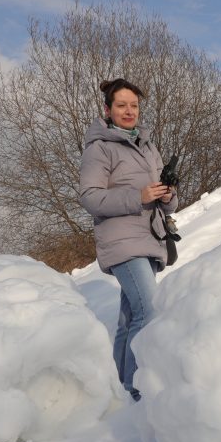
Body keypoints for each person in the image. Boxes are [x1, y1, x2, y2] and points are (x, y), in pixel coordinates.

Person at [78, 78, 177, 401]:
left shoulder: (148, 147)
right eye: (121, 105)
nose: (129, 111)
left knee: (130, 318)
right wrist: (138, 196)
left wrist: (166, 195)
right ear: (107, 110)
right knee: (150, 311)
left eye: (133, 105)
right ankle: (137, 391)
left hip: (149, 238)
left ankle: (121, 387)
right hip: (122, 242)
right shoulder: (100, 148)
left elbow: (167, 201)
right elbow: (90, 197)